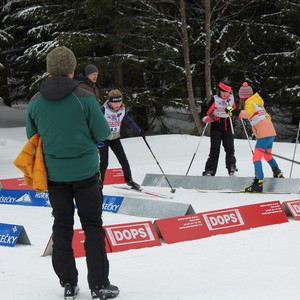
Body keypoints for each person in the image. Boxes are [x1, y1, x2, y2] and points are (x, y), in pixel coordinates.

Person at [26, 46, 119, 300]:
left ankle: (68, 283)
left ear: (48, 71)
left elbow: (31, 137)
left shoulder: (35, 101)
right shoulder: (85, 96)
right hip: (86, 173)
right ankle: (99, 285)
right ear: (72, 70)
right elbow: (102, 133)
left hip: (55, 175)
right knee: (92, 226)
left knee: (62, 227)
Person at [226, 82, 284, 192]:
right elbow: (263, 116)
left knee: (256, 158)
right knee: (267, 155)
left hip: (264, 133)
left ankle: (258, 182)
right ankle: (278, 173)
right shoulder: (257, 102)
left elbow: (247, 114)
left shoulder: (249, 102)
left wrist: (233, 110)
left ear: (242, 97)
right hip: (270, 132)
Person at [100, 88, 143, 190]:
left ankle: (129, 180)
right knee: (104, 162)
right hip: (103, 139)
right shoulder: (103, 110)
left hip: (115, 138)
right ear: (110, 102)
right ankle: (99, 182)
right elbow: (94, 122)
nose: (117, 105)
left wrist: (139, 130)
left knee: (123, 160)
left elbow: (129, 121)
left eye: (119, 102)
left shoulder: (122, 110)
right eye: (115, 103)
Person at [201, 80, 237, 176]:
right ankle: (209, 171)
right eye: (223, 91)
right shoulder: (215, 99)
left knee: (230, 148)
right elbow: (206, 111)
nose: (225, 94)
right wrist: (207, 117)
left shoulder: (232, 99)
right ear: (219, 91)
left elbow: (234, 110)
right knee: (214, 149)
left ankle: (231, 168)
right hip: (216, 125)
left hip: (228, 125)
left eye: (227, 92)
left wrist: (232, 111)